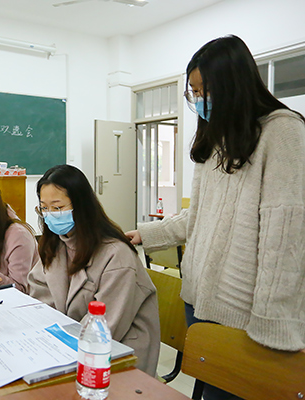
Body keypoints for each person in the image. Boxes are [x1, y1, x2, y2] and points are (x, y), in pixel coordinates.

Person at [126, 35, 305, 400]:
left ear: (234, 85)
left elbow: (285, 237)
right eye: (193, 92)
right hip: (199, 299)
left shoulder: (282, 132)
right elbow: (200, 215)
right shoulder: (217, 139)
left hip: (245, 314)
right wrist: (146, 234)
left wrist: (271, 324)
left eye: (204, 90)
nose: (198, 100)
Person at [27, 164, 160, 377]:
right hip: (68, 347)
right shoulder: (56, 244)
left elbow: (106, 329)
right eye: (44, 208)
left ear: (81, 205)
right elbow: (38, 296)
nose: (50, 215)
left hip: (119, 356)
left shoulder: (116, 255)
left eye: (57, 208)